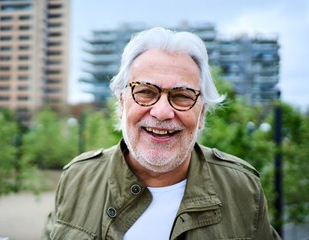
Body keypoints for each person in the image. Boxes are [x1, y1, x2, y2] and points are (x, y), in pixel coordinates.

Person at [42, 27, 281, 240]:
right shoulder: (77, 178)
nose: (163, 112)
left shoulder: (244, 188)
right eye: (146, 92)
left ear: (202, 114)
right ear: (122, 104)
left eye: (182, 96)